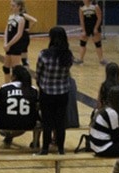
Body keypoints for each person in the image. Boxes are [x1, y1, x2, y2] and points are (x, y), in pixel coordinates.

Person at [36, 26, 73, 155]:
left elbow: (38, 73)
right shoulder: (68, 55)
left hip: (47, 92)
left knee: (47, 121)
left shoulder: (44, 54)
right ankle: (61, 149)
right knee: (60, 122)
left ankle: (45, 148)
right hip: (62, 92)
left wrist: (41, 84)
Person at [0, 64, 39, 146]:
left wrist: (2, 110)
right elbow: (37, 106)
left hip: (4, 123)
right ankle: (36, 142)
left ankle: (9, 135)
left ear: (14, 76)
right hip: (28, 124)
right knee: (37, 118)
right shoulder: (33, 89)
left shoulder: (5, 87)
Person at [74, 0, 106, 65]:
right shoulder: (81, 8)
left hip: (94, 27)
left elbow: (99, 18)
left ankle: (101, 60)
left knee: (98, 44)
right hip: (86, 27)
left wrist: (96, 28)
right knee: (82, 43)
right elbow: (81, 20)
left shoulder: (95, 6)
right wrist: (83, 30)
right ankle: (80, 59)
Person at [3, 0, 27, 83]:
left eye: (13, 6)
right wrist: (5, 43)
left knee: (15, 70)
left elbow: (19, 34)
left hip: (16, 45)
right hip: (8, 45)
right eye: (11, 5)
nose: (11, 7)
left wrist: (9, 44)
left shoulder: (21, 19)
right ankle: (6, 85)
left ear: (19, 7)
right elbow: (6, 30)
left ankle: (15, 87)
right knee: (6, 68)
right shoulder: (11, 16)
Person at [18, 2, 37, 67]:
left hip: (23, 36)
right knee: (20, 53)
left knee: (23, 54)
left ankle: (26, 68)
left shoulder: (23, 15)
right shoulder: (16, 15)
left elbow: (34, 20)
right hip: (19, 35)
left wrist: (28, 29)